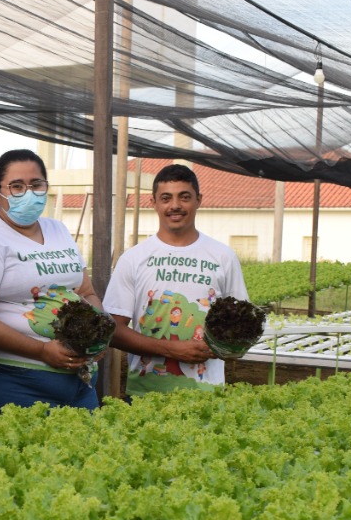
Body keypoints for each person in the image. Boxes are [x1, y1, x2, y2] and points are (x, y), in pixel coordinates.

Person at [0, 149, 104, 414]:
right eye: (17, 186)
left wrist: (98, 333)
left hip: (79, 381)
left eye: (36, 184)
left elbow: (86, 292)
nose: (28, 193)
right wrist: (41, 351)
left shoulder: (58, 229)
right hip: (14, 380)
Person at [102, 163, 248, 395]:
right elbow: (112, 330)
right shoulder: (133, 259)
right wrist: (172, 349)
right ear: (153, 203)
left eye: (184, 197)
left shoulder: (223, 257)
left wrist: (226, 346)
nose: (175, 206)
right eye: (166, 198)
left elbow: (241, 324)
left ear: (199, 200)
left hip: (206, 394)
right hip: (144, 394)